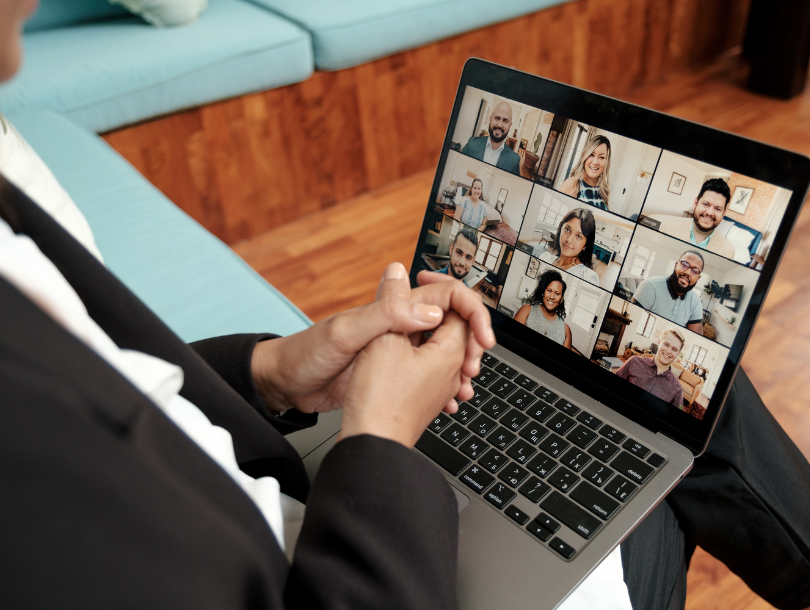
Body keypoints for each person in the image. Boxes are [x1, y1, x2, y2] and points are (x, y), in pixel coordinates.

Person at [2, 4, 809, 608]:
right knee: (693, 430)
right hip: (377, 553)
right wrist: (381, 440)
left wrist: (273, 370)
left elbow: (120, 371)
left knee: (658, 414)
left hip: (322, 493)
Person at [655, 179, 736, 259]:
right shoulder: (667, 228)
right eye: (705, 204)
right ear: (695, 203)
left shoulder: (728, 251)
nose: (710, 212)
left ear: (723, 214)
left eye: (717, 209)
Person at [632, 250, 705, 335]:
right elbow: (632, 321)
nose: (687, 272)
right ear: (675, 265)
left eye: (694, 271)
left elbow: (694, 337)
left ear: (698, 278)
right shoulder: (649, 286)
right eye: (684, 265)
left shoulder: (696, 302)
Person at [616, 328, 685, 408]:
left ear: (677, 354)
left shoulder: (677, 389)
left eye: (674, 349)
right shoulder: (634, 361)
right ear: (659, 343)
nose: (669, 351)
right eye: (666, 344)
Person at [535, 208, 600, 285]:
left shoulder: (587, 277)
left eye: (578, 236)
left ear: (585, 244)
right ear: (560, 229)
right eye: (567, 229)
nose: (569, 240)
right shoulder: (544, 257)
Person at [514, 269, 573, 349]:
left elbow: (563, 360)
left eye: (557, 293)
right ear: (543, 292)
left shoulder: (566, 330)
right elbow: (512, 342)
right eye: (549, 290)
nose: (552, 297)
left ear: (561, 299)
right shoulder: (526, 311)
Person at [460, 101, 521, 175]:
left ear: (510, 125)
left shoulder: (514, 160)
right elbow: (458, 170)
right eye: (497, 118)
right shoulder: (472, 144)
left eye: (505, 121)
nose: (499, 125)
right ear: (490, 119)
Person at [558, 134, 611, 210]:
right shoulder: (572, 183)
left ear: (607, 162)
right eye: (591, 155)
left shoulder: (605, 189)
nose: (595, 162)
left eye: (602, 157)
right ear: (585, 156)